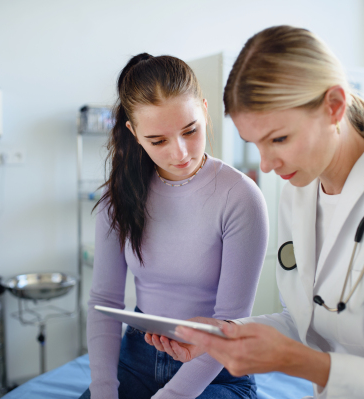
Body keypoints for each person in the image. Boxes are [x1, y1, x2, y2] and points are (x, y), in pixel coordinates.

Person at [150, 26, 364, 398]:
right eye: (255, 143)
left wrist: (300, 362)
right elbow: (310, 320)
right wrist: (225, 336)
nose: (265, 164)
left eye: (279, 139)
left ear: (334, 106)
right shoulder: (298, 193)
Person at [80, 53, 269, 399]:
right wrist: (103, 389)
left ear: (205, 111)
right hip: (135, 359)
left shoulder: (240, 197)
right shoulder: (119, 198)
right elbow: (103, 300)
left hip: (218, 370)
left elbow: (230, 320)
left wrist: (172, 395)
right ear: (134, 133)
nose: (180, 153)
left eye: (190, 130)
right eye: (158, 141)